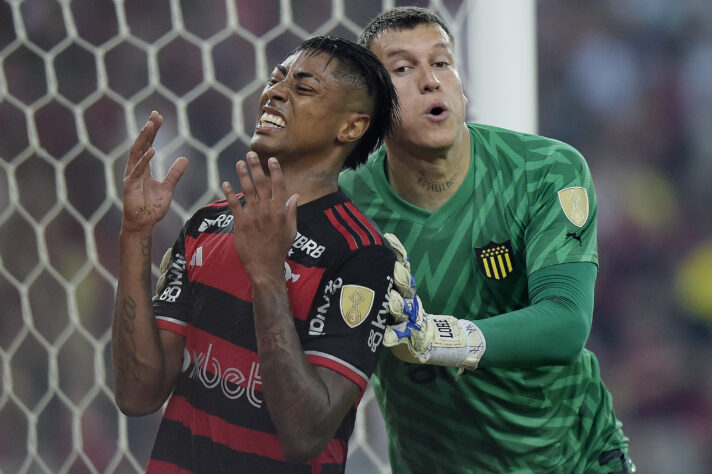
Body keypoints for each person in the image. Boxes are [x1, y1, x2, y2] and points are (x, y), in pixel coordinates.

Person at [338, 7, 633, 473]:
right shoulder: (346, 206)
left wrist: (437, 337)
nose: (431, 80)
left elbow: (566, 321)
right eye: (401, 68)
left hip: (573, 460)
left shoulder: (544, 171)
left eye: (441, 62)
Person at [111, 36, 400, 473]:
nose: (275, 92)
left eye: (303, 88)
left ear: (351, 127)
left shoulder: (362, 255)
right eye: (275, 79)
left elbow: (306, 433)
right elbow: (137, 394)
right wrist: (135, 233)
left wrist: (267, 276)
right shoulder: (207, 224)